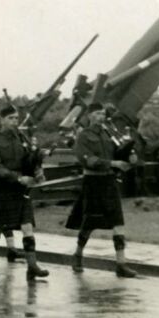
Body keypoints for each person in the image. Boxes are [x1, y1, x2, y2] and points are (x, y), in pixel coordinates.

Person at [0, 105, 50, 282]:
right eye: (10, 118)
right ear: (1, 120)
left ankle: (32, 266)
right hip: (2, 189)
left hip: (20, 191)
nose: (14, 121)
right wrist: (17, 178)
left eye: (16, 118)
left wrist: (38, 166)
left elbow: (29, 159)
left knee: (27, 226)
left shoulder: (21, 137)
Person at [65, 102, 138, 278]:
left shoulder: (109, 133)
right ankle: (78, 255)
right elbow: (87, 159)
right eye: (97, 114)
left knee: (118, 222)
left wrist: (130, 155)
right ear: (89, 116)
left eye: (103, 114)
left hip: (109, 181)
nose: (101, 117)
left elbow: (119, 151)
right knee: (89, 222)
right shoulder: (83, 136)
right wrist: (113, 163)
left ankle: (121, 264)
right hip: (93, 182)